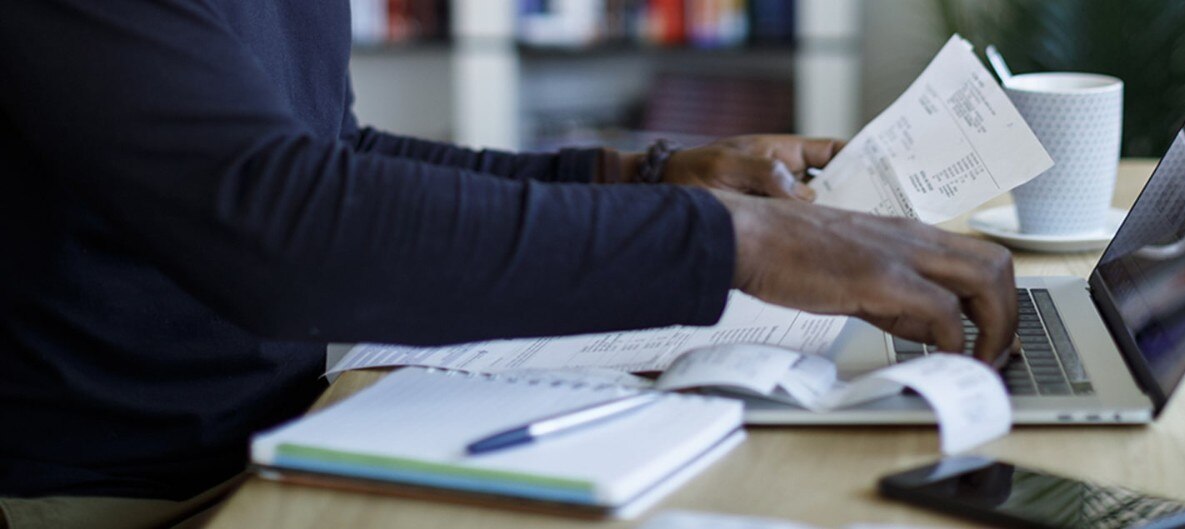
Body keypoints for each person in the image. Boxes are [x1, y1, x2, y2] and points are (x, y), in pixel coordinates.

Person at [0, 1, 1020, 527]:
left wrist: (642, 175)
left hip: (285, 434)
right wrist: (738, 242)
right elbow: (280, 228)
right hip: (124, 494)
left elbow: (333, 153)